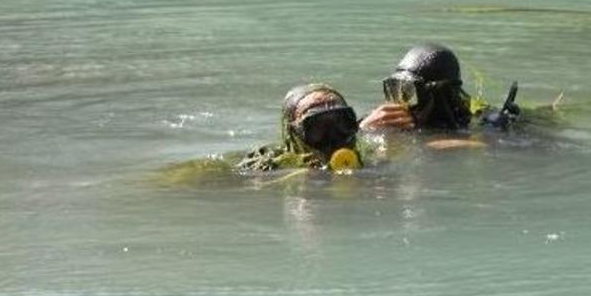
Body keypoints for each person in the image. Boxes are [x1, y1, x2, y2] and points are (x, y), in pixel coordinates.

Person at [360, 43, 556, 134]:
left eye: (409, 92)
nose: (400, 102)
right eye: (393, 90)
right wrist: (362, 130)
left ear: (437, 95)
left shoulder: (478, 129)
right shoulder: (376, 124)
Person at [236, 83, 363, 172]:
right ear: (294, 134)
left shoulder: (372, 154)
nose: (333, 137)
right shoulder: (265, 164)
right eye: (318, 127)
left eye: (341, 122)